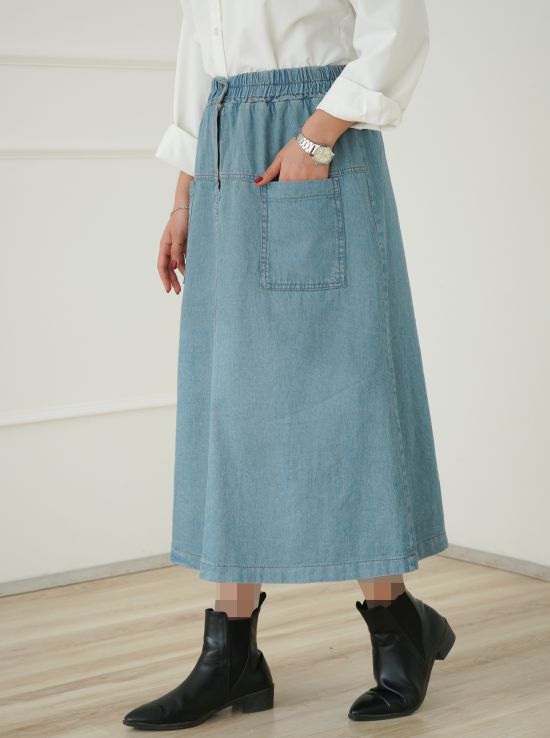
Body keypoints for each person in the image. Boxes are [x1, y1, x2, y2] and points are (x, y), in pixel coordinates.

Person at [123, 0, 455, 730]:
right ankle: (232, 652)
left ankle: (396, 622)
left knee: (351, 387)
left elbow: (399, 27)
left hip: (313, 138)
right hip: (221, 154)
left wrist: (316, 137)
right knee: (230, 404)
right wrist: (183, 195)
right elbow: (200, 59)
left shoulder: (316, 136)